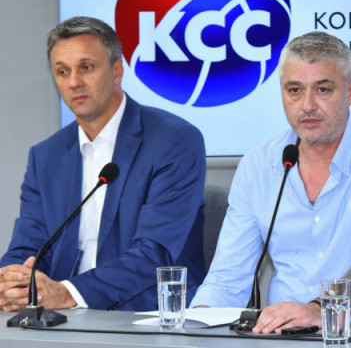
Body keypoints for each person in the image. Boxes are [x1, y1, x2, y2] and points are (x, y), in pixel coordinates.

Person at [190, 31, 351, 332]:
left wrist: (319, 310)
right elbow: (227, 278)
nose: (308, 105)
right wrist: (192, 326)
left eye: (323, 90)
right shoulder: (259, 163)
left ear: (350, 92)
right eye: (295, 90)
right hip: (285, 337)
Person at [0, 16, 206, 311]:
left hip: (147, 313)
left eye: (86, 67)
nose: (74, 82)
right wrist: (13, 282)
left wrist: (69, 293)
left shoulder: (174, 140)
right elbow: (28, 246)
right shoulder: (45, 156)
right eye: (62, 71)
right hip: (61, 316)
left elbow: (156, 252)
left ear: (117, 70)